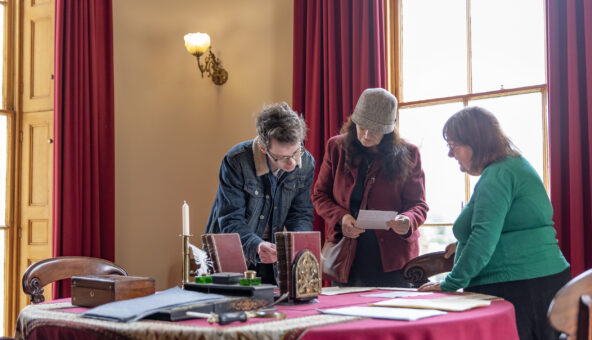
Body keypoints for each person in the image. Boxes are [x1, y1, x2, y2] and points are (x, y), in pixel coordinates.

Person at [418, 106, 571, 340]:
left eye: (453, 146)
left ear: (474, 143)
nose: (451, 154)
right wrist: (462, 247)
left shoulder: (498, 175)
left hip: (519, 286)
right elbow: (500, 230)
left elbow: (483, 237)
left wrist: (450, 283)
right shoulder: (510, 166)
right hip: (535, 281)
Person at [312, 88, 428, 287]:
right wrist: (342, 217)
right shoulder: (336, 148)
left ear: (389, 130)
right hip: (348, 257)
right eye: (362, 126)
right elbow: (319, 195)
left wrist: (407, 221)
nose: (366, 134)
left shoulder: (409, 153)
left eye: (375, 130)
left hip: (394, 258)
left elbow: (419, 205)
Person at [205, 102, 315, 284]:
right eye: (283, 157)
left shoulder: (307, 163)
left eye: (296, 152)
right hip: (232, 254)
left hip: (272, 257)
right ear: (263, 148)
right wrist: (256, 245)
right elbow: (230, 219)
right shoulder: (236, 161)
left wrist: (296, 247)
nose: (293, 164)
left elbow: (301, 214)